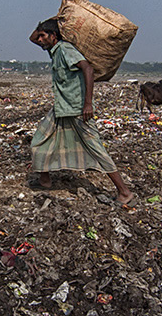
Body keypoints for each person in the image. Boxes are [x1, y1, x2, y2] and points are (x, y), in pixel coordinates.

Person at [28, 19, 135, 205]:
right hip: (62, 108)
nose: (40, 40)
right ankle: (44, 180)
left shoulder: (65, 50)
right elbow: (32, 38)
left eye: (44, 36)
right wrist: (49, 23)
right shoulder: (54, 50)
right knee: (39, 140)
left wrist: (88, 104)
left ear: (54, 36)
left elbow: (88, 69)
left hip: (77, 109)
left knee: (96, 149)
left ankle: (124, 192)